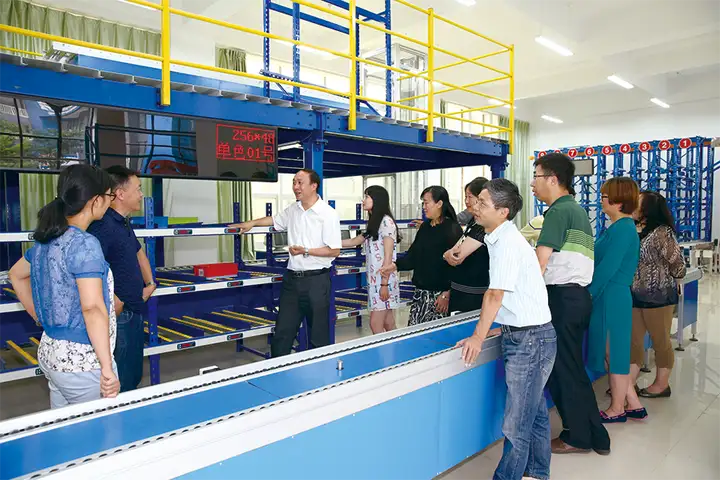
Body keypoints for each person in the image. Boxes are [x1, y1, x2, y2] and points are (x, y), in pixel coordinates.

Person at [457, 178, 556, 480]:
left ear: (503, 212)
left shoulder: (508, 244)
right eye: (477, 200)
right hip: (529, 334)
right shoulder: (498, 238)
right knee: (533, 413)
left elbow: (495, 294)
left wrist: (478, 336)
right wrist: (498, 328)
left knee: (517, 422)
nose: (475, 206)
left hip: (530, 340)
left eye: (482, 203)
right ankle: (536, 473)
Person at [8, 165, 120, 408]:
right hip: (83, 361)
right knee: (101, 428)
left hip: (52, 352)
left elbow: (16, 275)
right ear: (95, 200)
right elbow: (92, 308)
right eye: (109, 196)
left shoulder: (48, 240)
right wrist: (106, 367)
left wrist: (40, 315)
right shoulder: (84, 244)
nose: (110, 202)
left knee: (66, 425)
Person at [531, 153, 610, 455]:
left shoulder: (558, 212)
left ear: (553, 179)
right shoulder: (576, 210)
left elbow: (540, 263)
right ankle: (595, 435)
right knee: (573, 369)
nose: (533, 184)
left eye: (536, 177)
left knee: (562, 371)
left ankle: (576, 436)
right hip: (577, 298)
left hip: (561, 299)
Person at [231, 169, 341, 357]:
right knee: (283, 332)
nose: (295, 187)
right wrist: (251, 223)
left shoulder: (327, 214)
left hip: (317, 281)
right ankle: (278, 370)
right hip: (292, 281)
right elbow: (274, 220)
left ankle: (319, 371)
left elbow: (334, 250)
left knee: (318, 335)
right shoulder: (293, 210)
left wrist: (306, 250)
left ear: (313, 186)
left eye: (300, 183)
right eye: (294, 182)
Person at [88, 165, 156, 392]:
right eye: (138, 189)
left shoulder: (122, 222)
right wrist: (114, 301)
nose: (141, 194)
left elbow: (138, 251)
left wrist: (150, 283)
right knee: (122, 380)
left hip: (133, 310)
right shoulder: (102, 226)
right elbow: (91, 269)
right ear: (120, 194)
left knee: (133, 374)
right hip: (120, 315)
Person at [588, 177, 642, 423]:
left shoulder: (622, 230)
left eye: (604, 196)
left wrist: (588, 294)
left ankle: (617, 408)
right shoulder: (619, 228)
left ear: (618, 202)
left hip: (611, 296)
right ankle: (633, 403)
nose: (601, 200)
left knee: (614, 354)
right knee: (613, 353)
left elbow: (607, 268)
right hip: (612, 295)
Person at [379, 186, 462, 326]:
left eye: (426, 202)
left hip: (439, 297)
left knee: (435, 336)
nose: (424, 207)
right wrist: (394, 266)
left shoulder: (452, 229)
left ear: (439, 203)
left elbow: (458, 265)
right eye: (423, 203)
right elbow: (413, 255)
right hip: (420, 294)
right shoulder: (425, 227)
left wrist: (447, 293)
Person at [631, 191, 686, 398]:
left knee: (660, 341)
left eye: (638, 202)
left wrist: (677, 280)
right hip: (635, 295)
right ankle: (628, 383)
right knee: (633, 341)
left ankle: (662, 385)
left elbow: (677, 263)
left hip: (659, 296)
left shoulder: (662, 233)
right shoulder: (634, 230)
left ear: (648, 208)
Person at [342, 185, 400, 333]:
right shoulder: (374, 223)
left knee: (375, 324)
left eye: (367, 197)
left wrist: (384, 284)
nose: (363, 200)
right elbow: (355, 241)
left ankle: (384, 349)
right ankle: (397, 346)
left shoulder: (386, 222)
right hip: (376, 281)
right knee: (388, 323)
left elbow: (388, 257)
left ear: (377, 200)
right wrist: (330, 244)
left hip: (384, 281)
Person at [442, 177, 490, 313]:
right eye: (465, 197)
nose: (466, 201)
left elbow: (456, 257)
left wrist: (448, 254)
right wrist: (448, 254)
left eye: (470, 197)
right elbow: (452, 254)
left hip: (474, 293)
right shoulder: (472, 223)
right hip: (460, 289)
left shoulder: (483, 227)